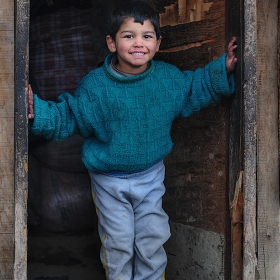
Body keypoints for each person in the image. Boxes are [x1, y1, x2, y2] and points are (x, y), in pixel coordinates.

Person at [28, 1, 238, 279]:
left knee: (152, 238)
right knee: (119, 240)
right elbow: (69, 116)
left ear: (158, 43)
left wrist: (222, 69)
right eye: (128, 36)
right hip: (108, 180)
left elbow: (193, 88)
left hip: (150, 176)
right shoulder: (95, 86)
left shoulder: (166, 80)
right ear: (111, 43)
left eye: (147, 36)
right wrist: (37, 111)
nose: (138, 43)